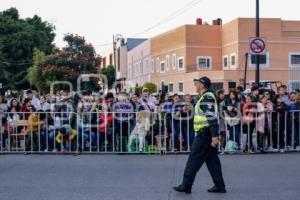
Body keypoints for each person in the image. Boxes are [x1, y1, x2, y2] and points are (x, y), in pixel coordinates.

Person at [173, 76, 226, 194]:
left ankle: (186, 185)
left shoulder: (207, 97)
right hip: (206, 133)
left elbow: (211, 116)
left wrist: (214, 136)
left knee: (193, 159)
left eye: (197, 83)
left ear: (202, 85)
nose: (195, 85)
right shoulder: (204, 97)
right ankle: (219, 186)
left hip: (205, 134)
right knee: (212, 161)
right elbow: (203, 113)